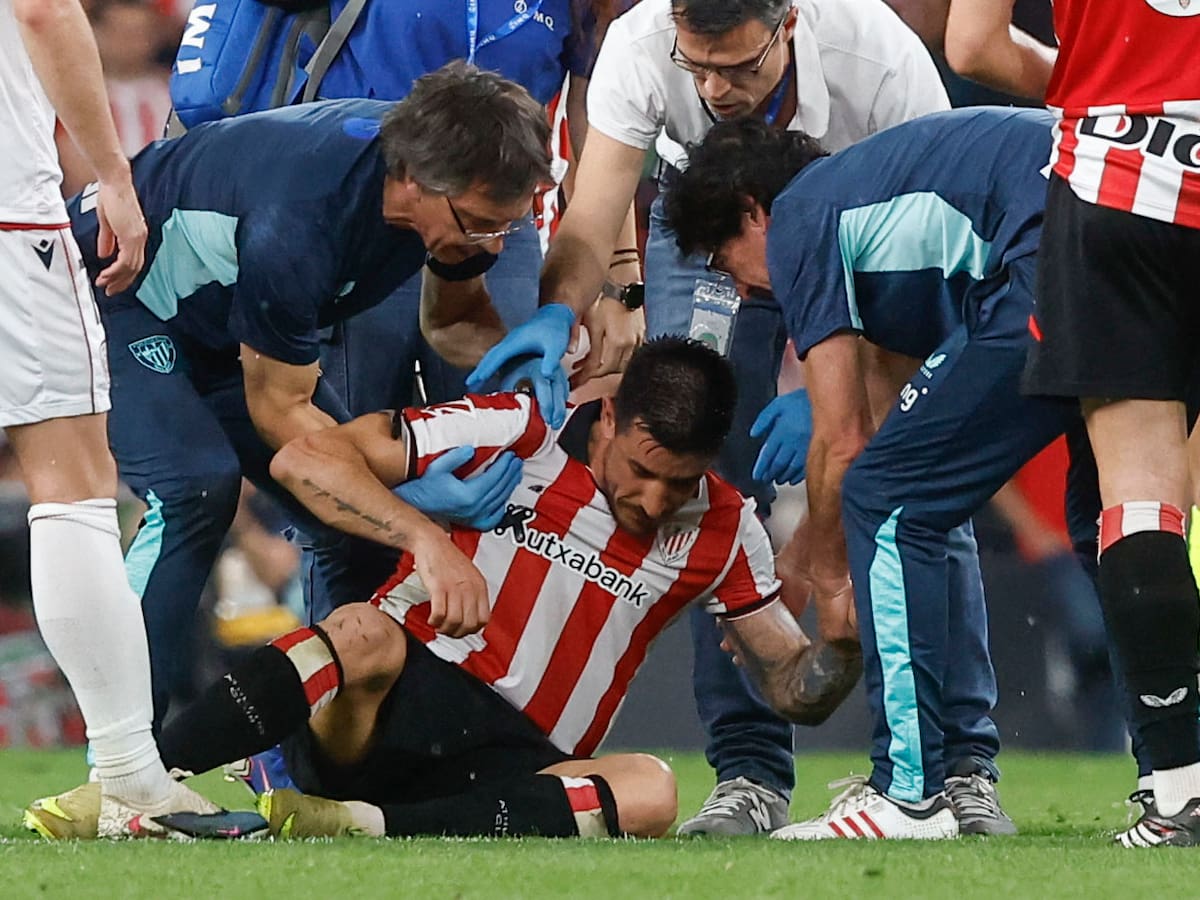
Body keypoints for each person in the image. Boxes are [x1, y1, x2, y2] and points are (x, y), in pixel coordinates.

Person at [29, 338, 864, 840]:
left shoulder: (723, 527)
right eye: (641, 471)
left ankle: (360, 827)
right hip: (393, 701)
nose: (652, 500)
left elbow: (793, 684)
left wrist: (839, 639)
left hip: (518, 764)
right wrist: (425, 536)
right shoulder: (521, 432)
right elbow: (306, 458)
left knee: (653, 789)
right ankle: (138, 781)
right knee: (361, 631)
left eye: (677, 484)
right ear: (608, 418)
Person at [468, 0, 952, 837]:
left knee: (912, 471)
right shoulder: (640, 42)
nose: (716, 88)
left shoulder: (878, 61)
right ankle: (751, 775)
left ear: (789, 23)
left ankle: (952, 769)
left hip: (880, 231)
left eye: (739, 67)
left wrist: (842, 391)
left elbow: (934, 251)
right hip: (715, 221)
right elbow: (592, 207)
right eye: (699, 68)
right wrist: (563, 311)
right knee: (702, 471)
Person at [65, 61, 553, 731]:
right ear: (415, 181)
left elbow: (454, 320)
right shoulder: (299, 221)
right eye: (478, 224)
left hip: (221, 319)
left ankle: (343, 760)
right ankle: (122, 760)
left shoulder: (444, 191)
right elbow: (284, 422)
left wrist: (537, 380)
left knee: (364, 537)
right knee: (192, 489)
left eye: (505, 227)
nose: (489, 244)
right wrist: (420, 526)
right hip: (112, 290)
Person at [664, 107, 1075, 839]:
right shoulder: (892, 226)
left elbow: (848, 443)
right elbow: (898, 417)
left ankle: (908, 792)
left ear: (754, 213)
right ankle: (1177, 785)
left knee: (892, 498)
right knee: (1111, 514)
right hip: (1135, 224)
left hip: (1055, 253)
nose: (754, 292)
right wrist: (810, 551)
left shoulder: (801, 216)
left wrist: (827, 576)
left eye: (729, 262)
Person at [3, 0, 216, 837]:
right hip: (9, 216)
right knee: (74, 483)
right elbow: (43, 10)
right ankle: (130, 775)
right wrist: (113, 176)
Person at [1017, 0, 1200, 849]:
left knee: (1141, 499)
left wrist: (1094, 99)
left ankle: (1180, 795)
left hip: (1117, 176)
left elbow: (973, 41)